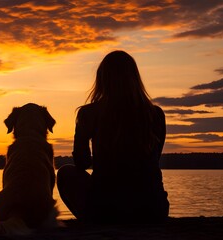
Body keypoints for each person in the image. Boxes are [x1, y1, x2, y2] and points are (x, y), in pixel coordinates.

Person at [57, 50, 169, 223]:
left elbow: (82, 163)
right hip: (153, 209)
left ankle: (92, 220)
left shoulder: (88, 113)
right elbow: (153, 160)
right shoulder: (155, 114)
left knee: (65, 173)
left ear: (102, 80)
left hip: (106, 208)